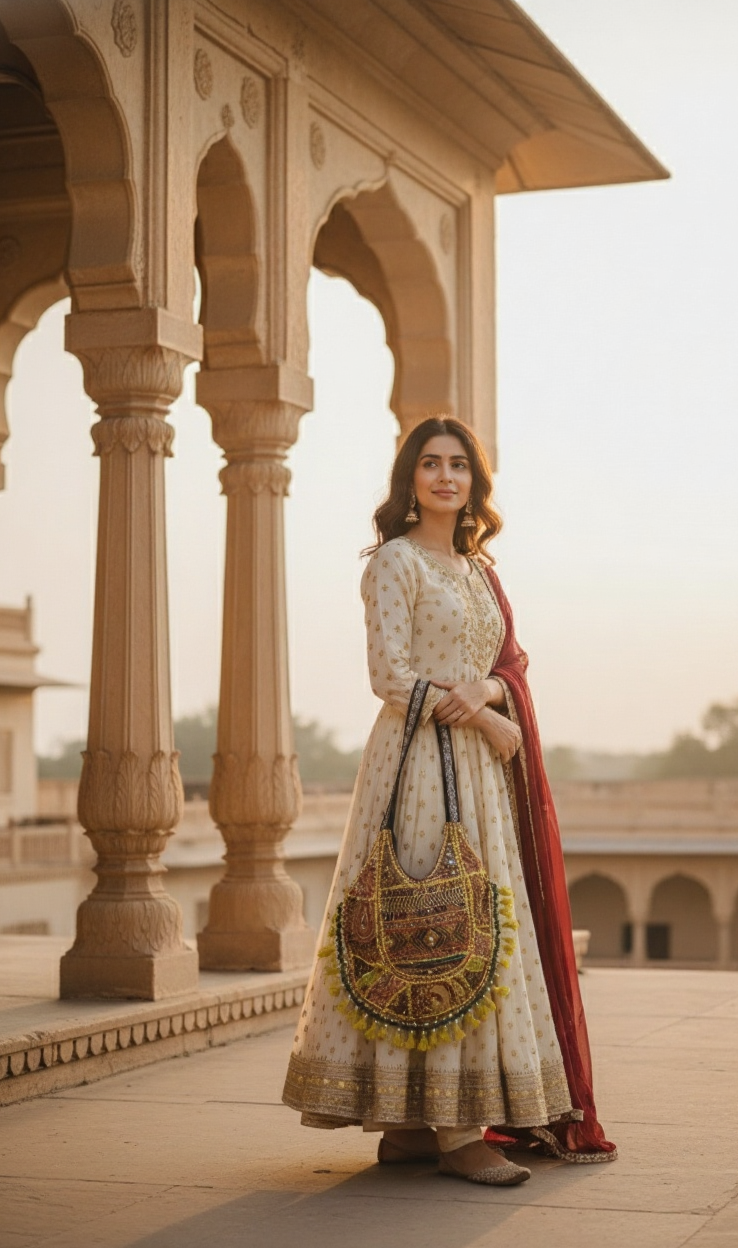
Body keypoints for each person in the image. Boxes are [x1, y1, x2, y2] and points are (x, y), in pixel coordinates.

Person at [283, 416, 616, 1184]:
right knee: (432, 928)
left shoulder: (477, 569)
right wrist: (483, 714)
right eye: (430, 464)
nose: (445, 477)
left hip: (480, 774)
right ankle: (455, 1133)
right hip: (418, 767)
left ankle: (413, 1129)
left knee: (477, 929)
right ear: (410, 480)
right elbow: (389, 676)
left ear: (475, 482)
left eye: (458, 465)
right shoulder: (393, 563)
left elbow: (509, 659)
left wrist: (493, 690)